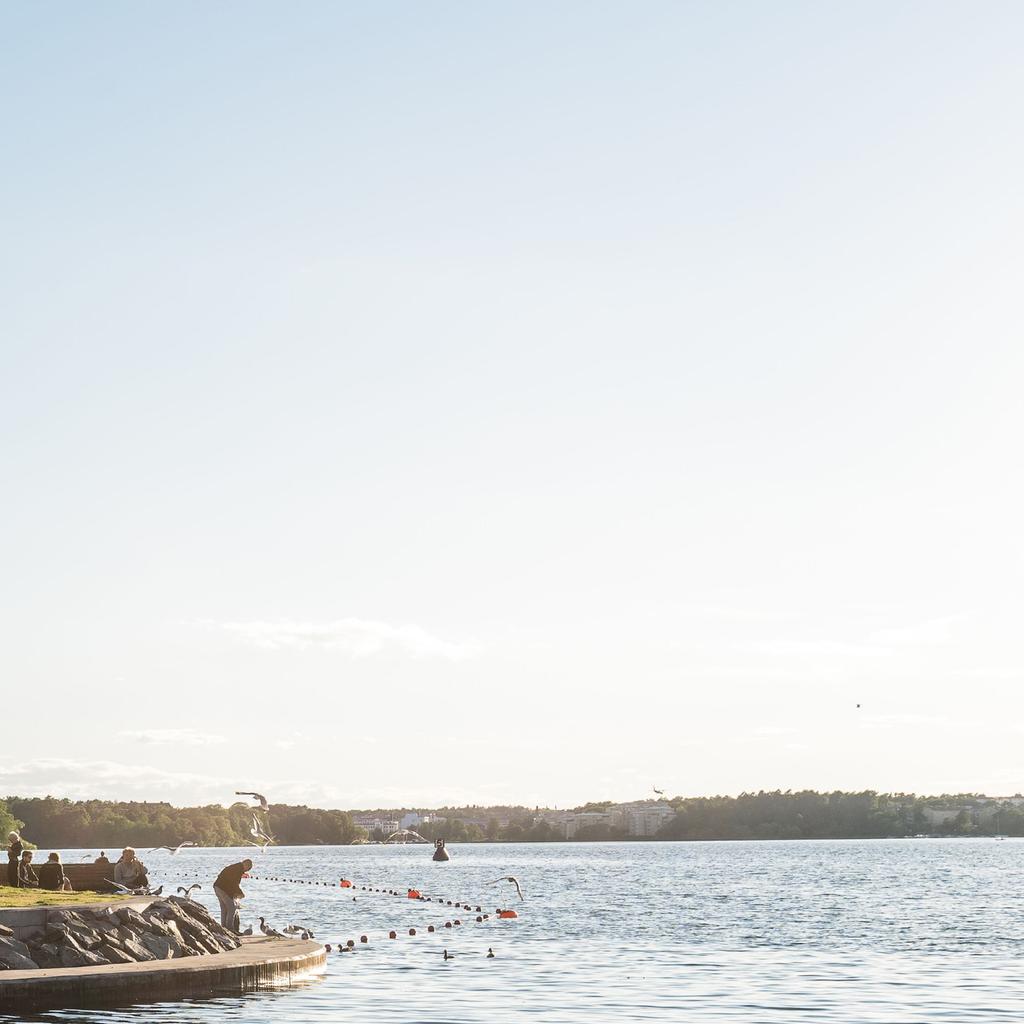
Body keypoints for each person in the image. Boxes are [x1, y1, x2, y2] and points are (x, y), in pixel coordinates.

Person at [213, 858, 252, 932]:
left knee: (224, 909)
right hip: (222, 888)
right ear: (246, 865)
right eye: (248, 869)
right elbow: (234, 883)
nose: (246, 871)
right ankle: (230, 929)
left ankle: (224, 928)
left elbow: (229, 878)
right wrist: (241, 893)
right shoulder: (238, 869)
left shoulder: (237, 867)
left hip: (217, 886)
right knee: (232, 909)